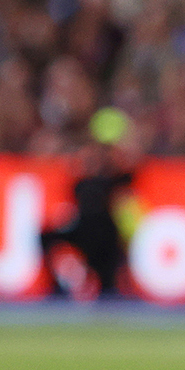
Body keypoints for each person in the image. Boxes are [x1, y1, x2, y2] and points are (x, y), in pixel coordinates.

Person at [38, 115, 137, 298]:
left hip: (107, 229)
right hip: (84, 225)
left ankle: (107, 287)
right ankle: (63, 283)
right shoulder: (85, 171)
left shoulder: (121, 176)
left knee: (106, 246)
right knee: (46, 236)